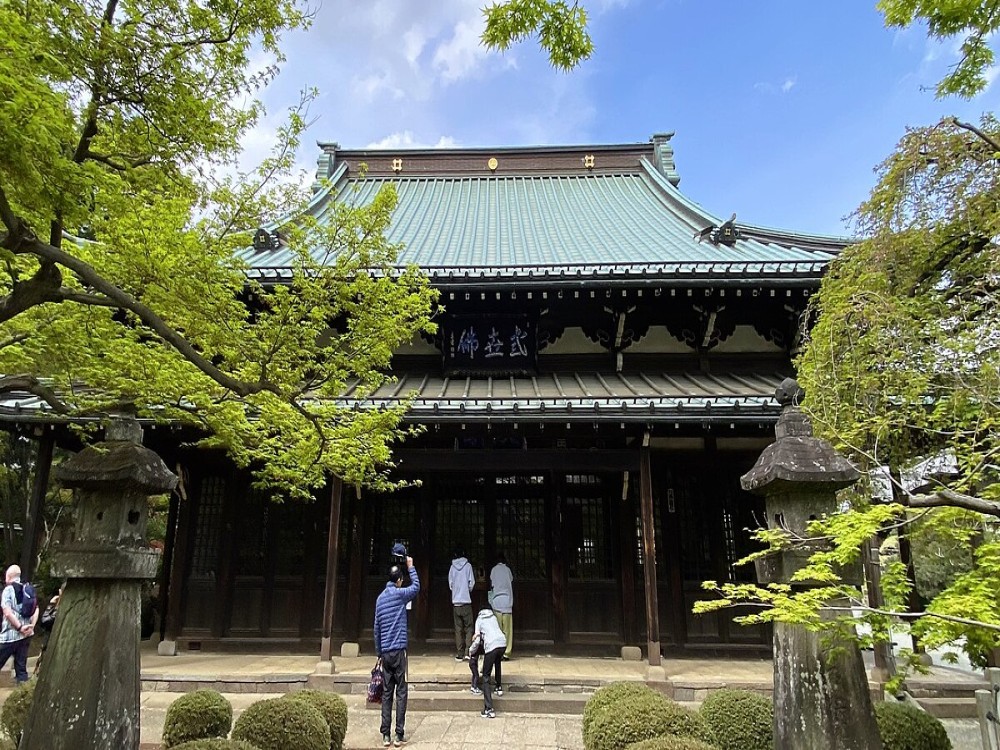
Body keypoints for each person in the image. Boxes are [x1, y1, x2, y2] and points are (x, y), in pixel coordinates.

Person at [374, 554, 420, 748]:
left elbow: (376, 627)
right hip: (399, 650)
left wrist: (378, 652)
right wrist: (411, 566)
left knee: (387, 693)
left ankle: (385, 734)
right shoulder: (400, 595)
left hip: (385, 651)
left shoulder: (380, 599)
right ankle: (399, 734)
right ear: (399, 580)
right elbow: (416, 587)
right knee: (401, 691)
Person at [0, 565, 38, 684]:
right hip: (26, 636)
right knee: (21, 670)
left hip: (10, 636)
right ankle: (23, 695)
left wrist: (20, 627)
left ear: (9, 576)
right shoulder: (28, 588)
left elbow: (7, 612)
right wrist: (31, 626)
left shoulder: (8, 590)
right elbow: (36, 609)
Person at [472, 607, 507, 718]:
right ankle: (498, 687)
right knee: (497, 663)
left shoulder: (479, 620)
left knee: (486, 676)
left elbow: (477, 640)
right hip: (502, 643)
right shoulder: (493, 617)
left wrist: (471, 651)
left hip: (491, 646)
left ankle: (489, 708)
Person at [447, 548, 475, 661]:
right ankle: (468, 651)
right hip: (466, 601)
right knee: (469, 627)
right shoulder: (468, 566)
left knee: (458, 629)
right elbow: (471, 583)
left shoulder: (452, 567)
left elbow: (451, 584)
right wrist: (467, 591)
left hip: (456, 602)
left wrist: (456, 593)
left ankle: (460, 653)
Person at [489, 553, 514, 660]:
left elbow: (492, 583)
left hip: (497, 602)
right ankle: (507, 652)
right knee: (507, 630)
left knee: (497, 629)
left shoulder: (493, 570)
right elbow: (511, 580)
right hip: (507, 602)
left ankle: (497, 651)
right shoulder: (508, 570)